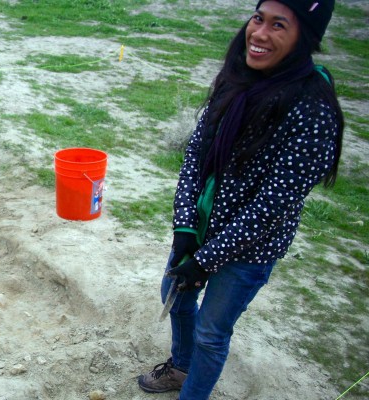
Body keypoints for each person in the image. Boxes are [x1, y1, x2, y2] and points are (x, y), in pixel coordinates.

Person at [138, 0, 344, 399]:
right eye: (258, 18)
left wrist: (206, 259)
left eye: (279, 25)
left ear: (306, 38)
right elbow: (196, 154)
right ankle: (181, 366)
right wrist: (185, 229)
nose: (260, 34)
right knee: (175, 297)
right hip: (202, 225)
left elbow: (273, 205)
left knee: (212, 334)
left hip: (250, 246)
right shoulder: (237, 76)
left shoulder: (314, 108)